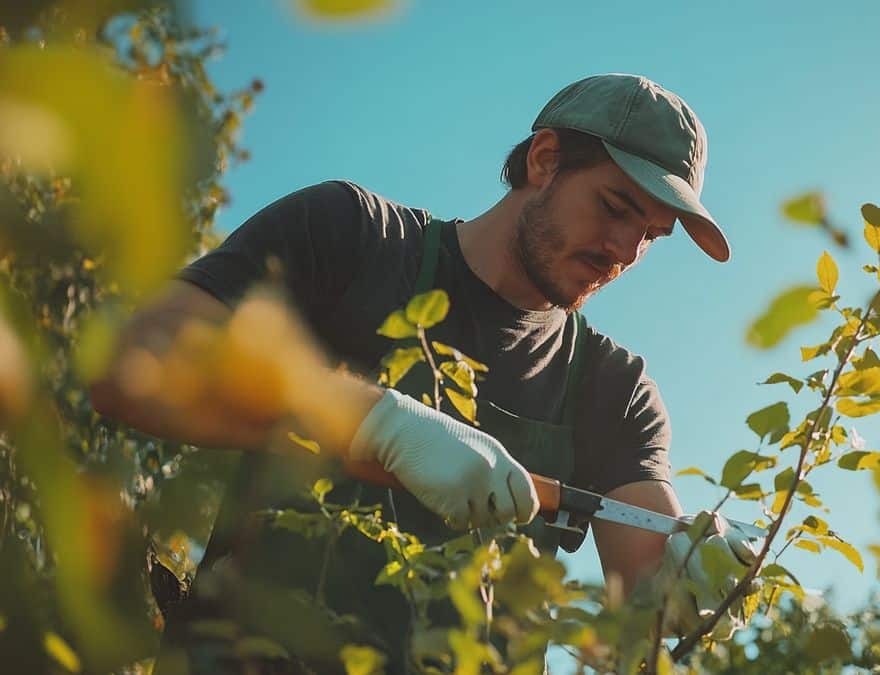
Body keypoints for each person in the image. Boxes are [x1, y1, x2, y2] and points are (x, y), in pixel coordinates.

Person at [91, 73, 756, 673]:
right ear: (545, 160)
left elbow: (646, 593)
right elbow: (136, 361)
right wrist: (368, 420)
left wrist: (694, 574)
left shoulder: (615, 391)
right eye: (615, 206)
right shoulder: (353, 237)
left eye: (652, 234)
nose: (624, 251)